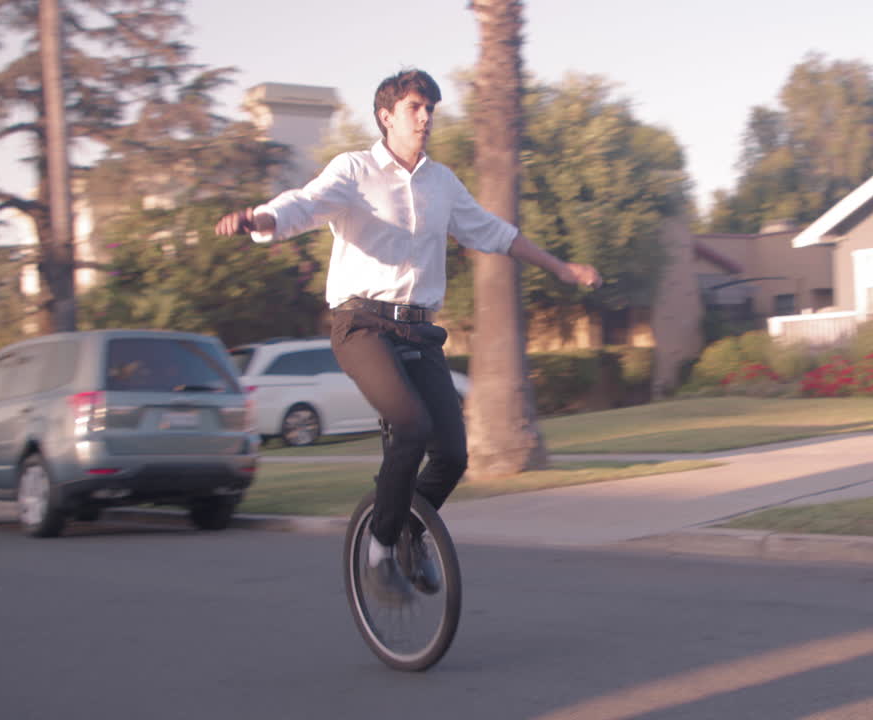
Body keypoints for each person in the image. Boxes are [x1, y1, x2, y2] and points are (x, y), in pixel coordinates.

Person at [216, 69, 601, 603]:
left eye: (431, 110)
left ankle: (409, 534)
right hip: (361, 325)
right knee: (411, 425)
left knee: (453, 455)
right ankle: (378, 550)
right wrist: (261, 219)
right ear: (387, 116)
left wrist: (559, 267)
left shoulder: (441, 182)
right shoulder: (353, 170)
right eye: (416, 108)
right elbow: (305, 204)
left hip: (419, 332)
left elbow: (494, 231)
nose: (425, 118)